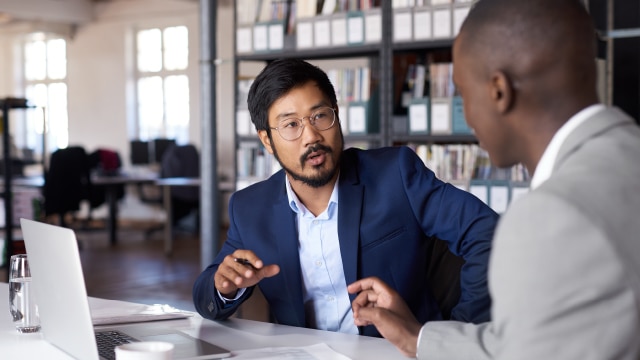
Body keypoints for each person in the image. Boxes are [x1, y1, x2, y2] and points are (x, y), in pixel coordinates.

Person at [347, 0, 640, 358]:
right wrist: (418, 338)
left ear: (498, 91)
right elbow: (542, 337)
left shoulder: (551, 217)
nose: (466, 114)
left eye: (463, 93)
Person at [193, 58, 499, 336]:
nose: (311, 136)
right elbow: (206, 293)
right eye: (291, 125)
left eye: (320, 116)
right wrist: (224, 287)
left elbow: (489, 233)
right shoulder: (250, 208)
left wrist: (454, 337)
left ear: (337, 116)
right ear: (267, 141)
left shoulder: (395, 175)